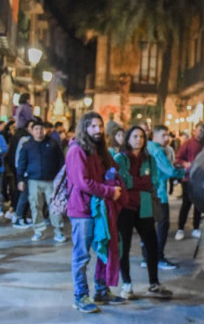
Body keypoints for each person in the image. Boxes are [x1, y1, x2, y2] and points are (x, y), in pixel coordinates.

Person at [66, 112, 124, 313]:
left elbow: (113, 170)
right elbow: (83, 182)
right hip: (82, 210)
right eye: (93, 126)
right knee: (82, 255)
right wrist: (109, 191)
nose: (98, 130)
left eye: (100, 126)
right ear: (84, 128)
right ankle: (80, 295)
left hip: (100, 209)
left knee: (103, 250)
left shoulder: (100, 151)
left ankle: (101, 290)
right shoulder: (76, 150)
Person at [114, 126, 171, 300]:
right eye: (135, 136)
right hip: (125, 207)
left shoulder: (150, 159)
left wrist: (135, 182)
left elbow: (152, 182)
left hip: (145, 205)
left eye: (141, 137)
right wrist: (140, 181)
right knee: (124, 245)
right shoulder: (120, 158)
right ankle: (127, 284)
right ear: (128, 139)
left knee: (151, 244)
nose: (138, 139)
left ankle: (154, 283)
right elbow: (123, 181)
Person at [16, 120, 66, 242]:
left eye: (41, 129)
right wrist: (21, 179)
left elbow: (61, 161)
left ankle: (58, 231)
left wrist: (61, 178)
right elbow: (22, 163)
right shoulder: (27, 145)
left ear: (45, 130)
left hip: (51, 181)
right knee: (35, 206)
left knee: (54, 206)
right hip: (33, 181)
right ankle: (38, 230)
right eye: (36, 129)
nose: (39, 132)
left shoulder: (53, 144)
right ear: (32, 131)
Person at [146, 125, 178, 269]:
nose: (167, 138)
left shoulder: (147, 147)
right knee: (162, 226)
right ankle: (158, 257)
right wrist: (187, 172)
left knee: (148, 227)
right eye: (164, 135)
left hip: (148, 193)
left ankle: (147, 257)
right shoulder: (158, 151)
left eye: (168, 135)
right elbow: (169, 171)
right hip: (159, 194)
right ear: (155, 135)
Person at [174, 123, 204, 240]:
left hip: (200, 180)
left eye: (203, 131)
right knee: (186, 204)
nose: (201, 133)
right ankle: (180, 228)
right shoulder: (187, 144)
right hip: (188, 179)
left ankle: (196, 228)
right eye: (199, 130)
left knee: (198, 205)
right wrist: (185, 164)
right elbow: (178, 158)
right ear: (194, 131)